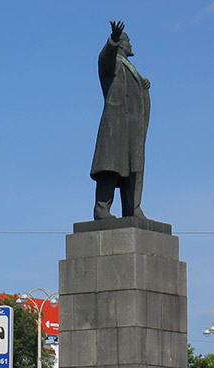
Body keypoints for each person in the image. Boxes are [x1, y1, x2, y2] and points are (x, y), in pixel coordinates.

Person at [91, 20, 151, 220]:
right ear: (121, 45)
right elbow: (103, 60)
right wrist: (113, 40)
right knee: (111, 167)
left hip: (133, 128)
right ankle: (102, 209)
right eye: (127, 41)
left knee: (133, 169)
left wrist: (143, 86)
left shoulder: (131, 69)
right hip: (115, 127)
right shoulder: (113, 64)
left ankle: (133, 209)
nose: (130, 44)